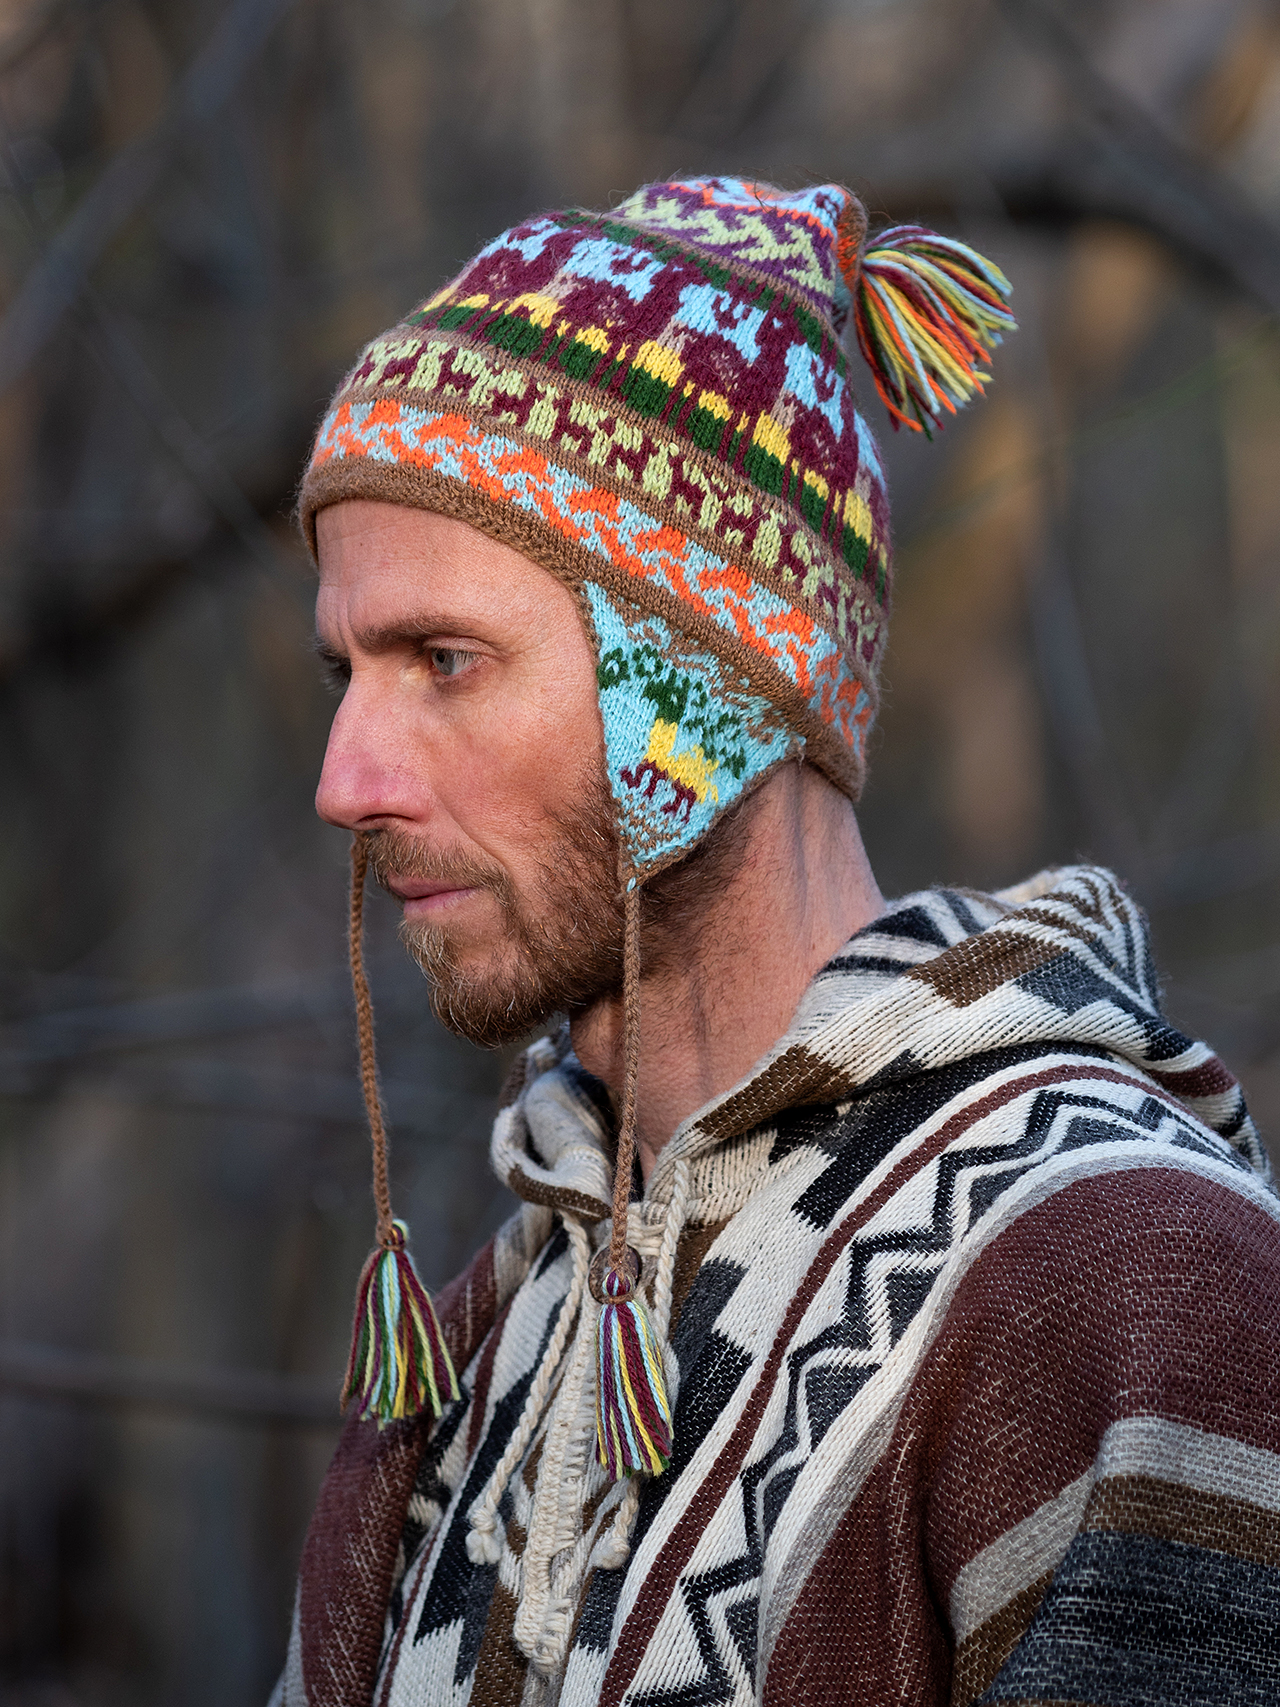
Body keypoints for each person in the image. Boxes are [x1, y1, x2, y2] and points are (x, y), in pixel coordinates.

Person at [271, 178, 1280, 1707]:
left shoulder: (1124, 1283)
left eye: (445, 661)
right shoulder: (480, 1345)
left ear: (708, 692)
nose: (347, 780)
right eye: (345, 669)